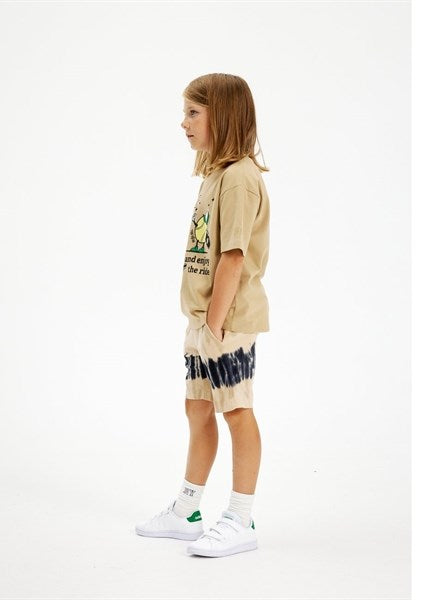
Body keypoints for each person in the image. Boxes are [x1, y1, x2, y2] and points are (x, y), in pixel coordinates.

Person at [135, 73, 270, 558]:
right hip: (203, 320)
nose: (184, 123)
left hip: (227, 322)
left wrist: (214, 326)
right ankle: (187, 511)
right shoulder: (216, 175)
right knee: (197, 408)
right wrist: (200, 323)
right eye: (185, 112)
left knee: (236, 411)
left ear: (223, 116)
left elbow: (232, 258)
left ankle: (240, 517)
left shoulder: (239, 178)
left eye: (193, 113)